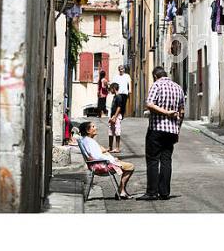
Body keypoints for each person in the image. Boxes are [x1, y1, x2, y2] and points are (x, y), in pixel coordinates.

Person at [137, 66, 185, 201]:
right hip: (171, 131)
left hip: (156, 129)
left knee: (153, 160)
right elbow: (182, 111)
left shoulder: (156, 85)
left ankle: (152, 192)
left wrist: (166, 112)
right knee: (166, 160)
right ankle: (164, 192)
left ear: (155, 76)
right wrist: (178, 129)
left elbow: (149, 104)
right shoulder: (178, 87)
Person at [78, 121, 134, 199]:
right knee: (130, 166)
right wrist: (112, 160)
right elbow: (97, 156)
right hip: (102, 165)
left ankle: (121, 190)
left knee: (127, 165)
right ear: (88, 131)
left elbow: (98, 153)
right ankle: (121, 190)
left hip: (98, 163)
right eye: (93, 127)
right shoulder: (89, 141)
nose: (96, 128)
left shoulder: (86, 140)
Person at [108, 82, 123, 153]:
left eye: (111, 89)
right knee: (110, 132)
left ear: (114, 88)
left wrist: (115, 116)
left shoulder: (119, 97)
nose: (110, 90)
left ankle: (117, 148)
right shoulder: (114, 97)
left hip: (116, 116)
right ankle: (110, 147)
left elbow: (119, 107)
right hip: (113, 116)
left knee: (117, 132)